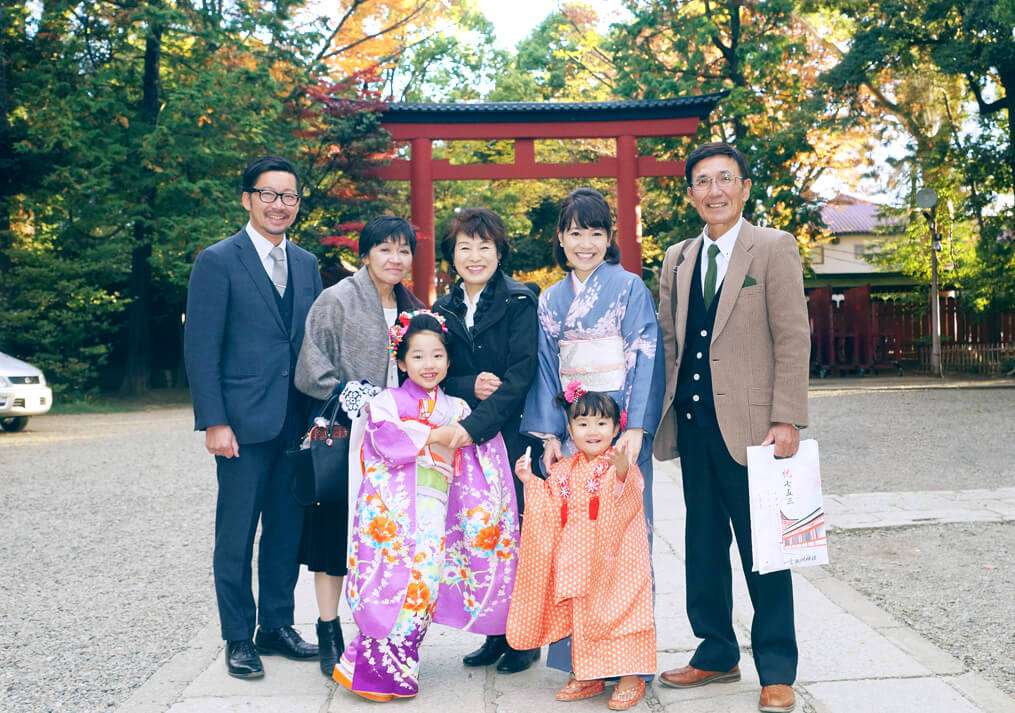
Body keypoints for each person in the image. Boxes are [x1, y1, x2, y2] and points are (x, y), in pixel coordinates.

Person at [654, 142, 810, 713]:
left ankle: (776, 667)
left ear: (744, 187)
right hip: (695, 425)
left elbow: (793, 336)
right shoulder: (676, 257)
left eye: (725, 178)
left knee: (765, 550)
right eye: (702, 180)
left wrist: (786, 415)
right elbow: (671, 343)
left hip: (754, 429)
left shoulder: (772, 247)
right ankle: (716, 650)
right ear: (691, 192)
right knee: (702, 544)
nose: (714, 190)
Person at [334, 311, 520, 702]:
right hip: (391, 512)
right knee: (390, 582)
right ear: (400, 362)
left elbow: (479, 451)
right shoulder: (384, 402)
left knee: (424, 582)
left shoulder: (458, 408)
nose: (428, 364)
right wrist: (438, 437)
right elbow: (386, 441)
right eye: (417, 356)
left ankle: (398, 665)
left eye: (437, 355)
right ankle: (372, 668)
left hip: (435, 510)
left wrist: (443, 441)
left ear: (449, 361)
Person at [184, 156, 321, 679]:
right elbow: (201, 348)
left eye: (289, 196)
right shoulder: (218, 261)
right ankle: (238, 636)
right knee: (237, 532)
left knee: (287, 529)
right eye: (268, 194)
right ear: (247, 198)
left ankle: (277, 625)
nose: (279, 205)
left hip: (296, 420)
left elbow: (311, 342)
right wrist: (214, 421)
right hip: (240, 423)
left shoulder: (307, 264)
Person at [519, 186, 665, 677]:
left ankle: (628, 664)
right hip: (572, 431)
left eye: (596, 233)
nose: (585, 244)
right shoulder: (551, 299)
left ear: (609, 239)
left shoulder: (629, 288)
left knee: (625, 546)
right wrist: (550, 434)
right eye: (576, 233)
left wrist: (637, 427)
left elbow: (645, 354)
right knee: (574, 546)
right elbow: (545, 367)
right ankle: (582, 662)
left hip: (619, 431)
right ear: (560, 238)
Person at [294, 216, 424, 677]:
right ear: (366, 253)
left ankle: (384, 629)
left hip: (397, 443)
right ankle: (328, 627)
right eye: (385, 249)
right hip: (346, 438)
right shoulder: (337, 301)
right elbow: (310, 369)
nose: (395, 259)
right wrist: (357, 398)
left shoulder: (414, 307)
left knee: (391, 538)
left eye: (404, 250)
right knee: (333, 534)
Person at [431, 207, 541, 673]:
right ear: (450, 255)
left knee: (518, 533)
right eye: (464, 247)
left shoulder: (519, 301)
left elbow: (521, 377)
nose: (475, 256)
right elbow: (435, 372)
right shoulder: (441, 310)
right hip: (468, 443)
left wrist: (472, 428)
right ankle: (495, 631)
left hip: (511, 438)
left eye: (485, 247)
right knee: (482, 533)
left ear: (500, 251)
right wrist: (467, 384)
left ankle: (523, 638)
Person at [507, 385, 654, 711]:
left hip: (618, 560)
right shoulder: (563, 469)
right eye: (583, 423)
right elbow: (547, 505)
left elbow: (629, 494)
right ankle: (590, 673)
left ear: (616, 429)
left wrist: (620, 471)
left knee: (622, 613)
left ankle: (631, 677)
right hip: (580, 558)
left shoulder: (618, 464)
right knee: (584, 615)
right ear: (570, 430)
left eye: (602, 424)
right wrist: (529, 480)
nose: (592, 431)